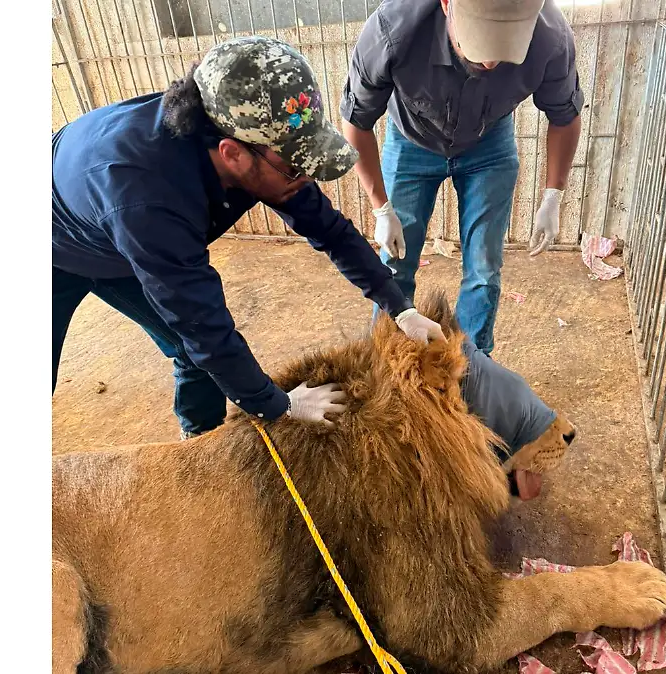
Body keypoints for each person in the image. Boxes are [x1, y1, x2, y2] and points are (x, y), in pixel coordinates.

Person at [52, 35, 446, 440]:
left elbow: (330, 229)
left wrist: (399, 307)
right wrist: (277, 404)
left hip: (118, 236)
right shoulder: (150, 199)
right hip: (55, 241)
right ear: (233, 154)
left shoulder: (249, 142)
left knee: (191, 354)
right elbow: (202, 323)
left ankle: (201, 444)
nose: (305, 179)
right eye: (296, 169)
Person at [341, 0, 584, 354]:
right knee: (396, 261)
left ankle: (471, 365)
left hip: (489, 141)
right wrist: (381, 208)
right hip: (411, 138)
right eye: (479, 43)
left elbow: (565, 116)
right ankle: (389, 361)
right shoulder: (392, 30)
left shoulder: (551, 36)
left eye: (504, 49)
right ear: (446, 5)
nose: (490, 63)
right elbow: (356, 121)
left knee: (484, 267)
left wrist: (553, 195)